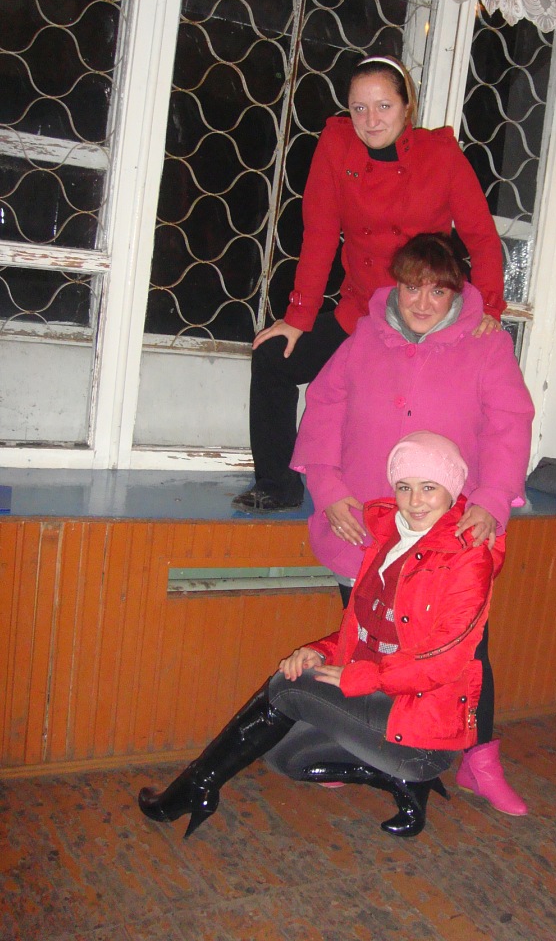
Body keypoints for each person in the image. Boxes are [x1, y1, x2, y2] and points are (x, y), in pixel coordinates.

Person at [138, 432, 502, 838]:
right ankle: (401, 782)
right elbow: (368, 630)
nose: (415, 501)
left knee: (288, 688)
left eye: (429, 487)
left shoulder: (468, 557)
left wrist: (362, 677)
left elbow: (444, 660)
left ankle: (196, 788)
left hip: (422, 730)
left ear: (451, 489)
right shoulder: (392, 540)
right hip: (383, 704)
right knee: (283, 755)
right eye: (404, 487)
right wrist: (319, 652)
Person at [291, 232, 535, 816]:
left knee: (465, 655)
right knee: (363, 640)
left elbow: (510, 423)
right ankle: (352, 745)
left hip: (450, 534)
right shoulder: (363, 339)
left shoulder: (486, 345)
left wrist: (492, 499)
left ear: (455, 292)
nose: (422, 302)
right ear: (395, 287)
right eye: (411, 288)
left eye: (437, 290)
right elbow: (323, 407)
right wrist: (328, 490)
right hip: (366, 528)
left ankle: (479, 761)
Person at [233, 53, 505, 513]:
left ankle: (432, 497)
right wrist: (298, 318)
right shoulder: (336, 145)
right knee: (273, 357)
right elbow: (320, 233)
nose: (370, 120)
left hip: (418, 319)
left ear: (406, 107)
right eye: (359, 108)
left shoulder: (440, 155)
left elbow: (481, 236)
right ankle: (277, 485)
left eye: (383, 106)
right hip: (359, 312)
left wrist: (491, 309)